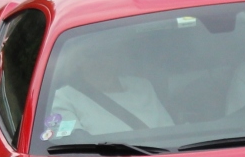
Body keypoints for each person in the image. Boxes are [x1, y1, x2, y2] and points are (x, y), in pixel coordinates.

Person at [44, 35, 173, 139]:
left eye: (106, 53)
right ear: (78, 61)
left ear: (117, 57)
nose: (100, 61)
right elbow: (74, 144)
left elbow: (169, 133)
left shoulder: (142, 86)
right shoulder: (64, 98)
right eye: (91, 55)